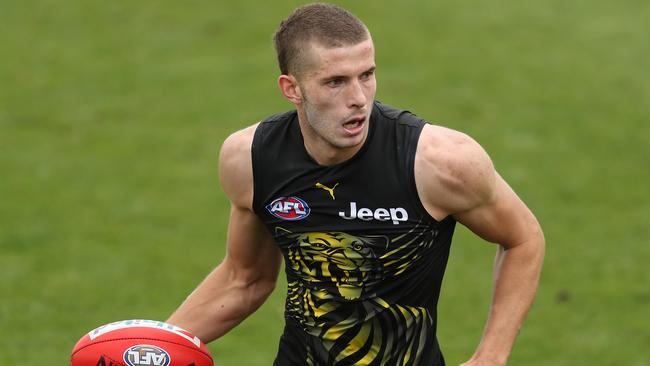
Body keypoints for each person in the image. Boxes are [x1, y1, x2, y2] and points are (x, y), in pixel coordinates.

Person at [167, 3, 545, 365]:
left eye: (366, 74)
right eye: (335, 82)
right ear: (291, 88)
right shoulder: (250, 160)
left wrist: (491, 357)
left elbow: (523, 238)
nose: (358, 99)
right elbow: (244, 278)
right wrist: (155, 345)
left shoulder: (440, 162)